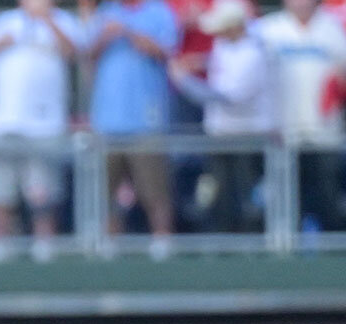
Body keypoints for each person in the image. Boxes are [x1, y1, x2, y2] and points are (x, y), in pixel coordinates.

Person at [0, 0, 88, 259]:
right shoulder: (3, 22)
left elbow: (74, 54)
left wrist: (46, 20)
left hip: (45, 127)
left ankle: (44, 246)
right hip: (2, 123)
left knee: (43, 195)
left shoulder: (63, 21)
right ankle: (0, 245)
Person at [170, 0, 274, 232]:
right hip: (221, 134)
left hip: (248, 139)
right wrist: (197, 61)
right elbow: (219, 61)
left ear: (236, 27)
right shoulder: (224, 44)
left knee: (247, 202)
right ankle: (224, 243)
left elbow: (224, 97)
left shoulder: (253, 55)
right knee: (220, 198)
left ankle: (251, 249)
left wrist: (182, 80)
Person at [89, 0, 182, 256]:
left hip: (146, 118)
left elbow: (167, 52)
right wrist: (106, 36)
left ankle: (162, 242)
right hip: (108, 119)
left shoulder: (160, 12)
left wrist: (128, 32)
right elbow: (87, 54)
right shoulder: (105, 12)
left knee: (154, 187)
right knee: (107, 190)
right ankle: (109, 245)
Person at [256, 0, 346, 230]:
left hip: (323, 127)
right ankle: (284, 246)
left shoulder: (332, 27)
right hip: (283, 128)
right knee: (285, 191)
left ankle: (330, 248)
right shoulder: (268, 29)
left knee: (327, 189)